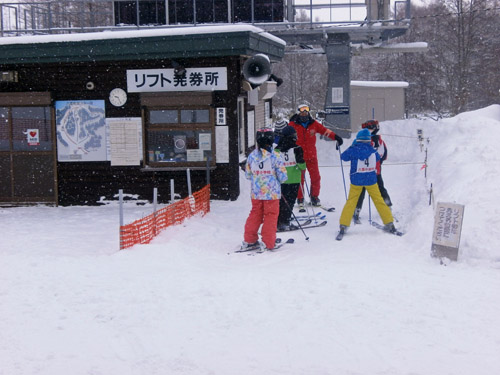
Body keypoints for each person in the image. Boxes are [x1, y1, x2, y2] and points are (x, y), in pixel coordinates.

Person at [338, 129, 397, 237]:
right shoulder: (373, 151)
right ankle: (389, 223)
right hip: (371, 180)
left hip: (356, 180)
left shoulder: (354, 149)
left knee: (351, 201)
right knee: (379, 201)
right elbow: (379, 158)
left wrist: (353, 145)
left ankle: (343, 224)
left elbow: (343, 157)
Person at [242, 128, 288, 251]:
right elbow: (283, 177)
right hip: (271, 194)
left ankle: (249, 239)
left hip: (256, 193)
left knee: (255, 214)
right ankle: (268, 242)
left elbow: (247, 175)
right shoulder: (275, 156)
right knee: (270, 216)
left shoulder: (252, 156)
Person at [288, 103, 343, 207]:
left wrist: (336, 137)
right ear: (298, 112)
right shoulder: (292, 125)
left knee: (316, 177)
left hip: (312, 156)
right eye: (302, 110)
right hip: (299, 157)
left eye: (306, 110)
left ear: (309, 111)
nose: (304, 112)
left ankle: (314, 197)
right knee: (299, 179)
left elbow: (324, 131)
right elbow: (285, 135)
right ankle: (300, 198)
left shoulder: (313, 124)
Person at [353, 119, 392, 223]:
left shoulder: (378, 141)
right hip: (367, 171)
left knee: (378, 189)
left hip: (372, 171)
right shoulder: (363, 141)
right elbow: (383, 156)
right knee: (363, 190)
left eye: (371, 127)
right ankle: (357, 210)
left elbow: (383, 155)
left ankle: (387, 207)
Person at [275, 125, 306, 231]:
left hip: (281, 180)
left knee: (281, 201)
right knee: (290, 201)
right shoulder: (297, 149)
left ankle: (279, 220)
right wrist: (302, 165)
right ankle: (285, 221)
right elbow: (302, 165)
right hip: (294, 179)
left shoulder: (277, 150)